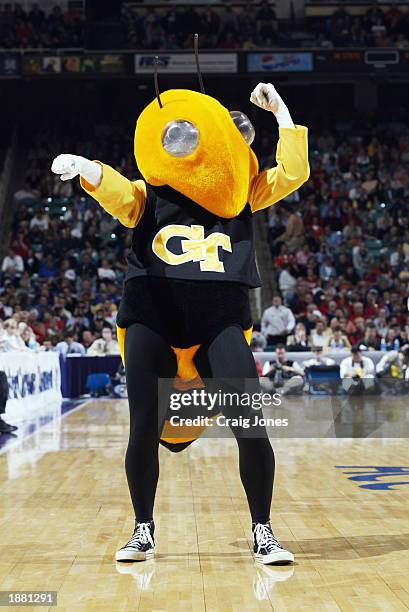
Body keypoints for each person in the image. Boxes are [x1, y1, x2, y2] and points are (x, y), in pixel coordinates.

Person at [52, 78, 309, 565]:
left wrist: (282, 116)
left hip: (218, 318)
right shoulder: (151, 193)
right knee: (143, 428)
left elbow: (293, 171)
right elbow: (118, 195)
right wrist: (88, 169)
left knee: (251, 425)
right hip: (154, 311)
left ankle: (264, 531)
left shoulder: (244, 192)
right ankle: (142, 529)